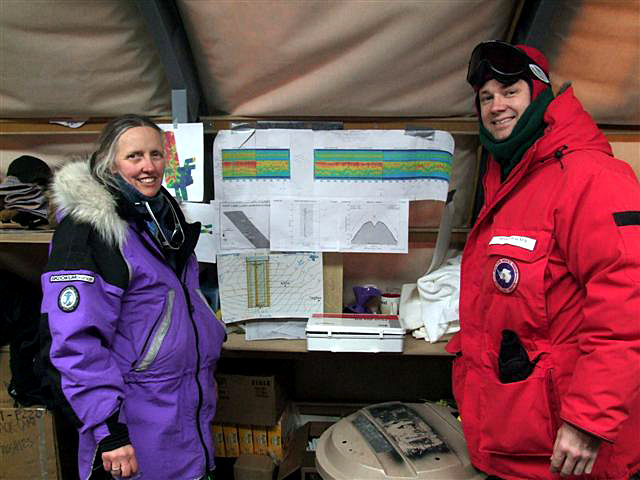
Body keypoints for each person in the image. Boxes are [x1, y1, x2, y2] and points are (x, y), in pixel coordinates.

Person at [446, 41, 640, 479]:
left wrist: (589, 421)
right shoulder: (510, 178)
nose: (497, 106)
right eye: (486, 97)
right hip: (519, 441)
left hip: (573, 450)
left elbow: (627, 310)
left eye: (510, 90)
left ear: (539, 93)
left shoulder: (590, 177)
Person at [40, 114, 227, 479]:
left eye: (156, 155)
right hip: (132, 419)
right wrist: (109, 432)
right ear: (110, 163)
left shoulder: (161, 221)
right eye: (135, 156)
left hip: (182, 407)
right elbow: (74, 344)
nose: (148, 167)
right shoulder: (89, 232)